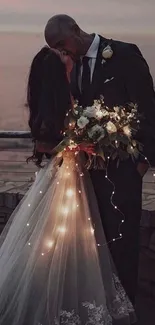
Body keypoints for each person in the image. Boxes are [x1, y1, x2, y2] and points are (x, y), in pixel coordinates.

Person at [0, 47, 136, 324]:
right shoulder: (56, 103)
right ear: (57, 71)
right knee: (57, 242)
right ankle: (51, 301)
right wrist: (78, 144)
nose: (70, 61)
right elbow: (45, 144)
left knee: (68, 242)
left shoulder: (55, 97)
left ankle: (60, 294)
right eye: (65, 59)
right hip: (64, 177)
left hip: (70, 176)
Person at [44, 14, 155, 305]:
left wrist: (141, 163)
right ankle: (101, 305)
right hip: (87, 174)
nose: (60, 51)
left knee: (124, 241)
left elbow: (148, 108)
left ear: (75, 30)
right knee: (93, 245)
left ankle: (127, 306)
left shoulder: (124, 55)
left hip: (124, 171)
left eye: (60, 44)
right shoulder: (70, 66)